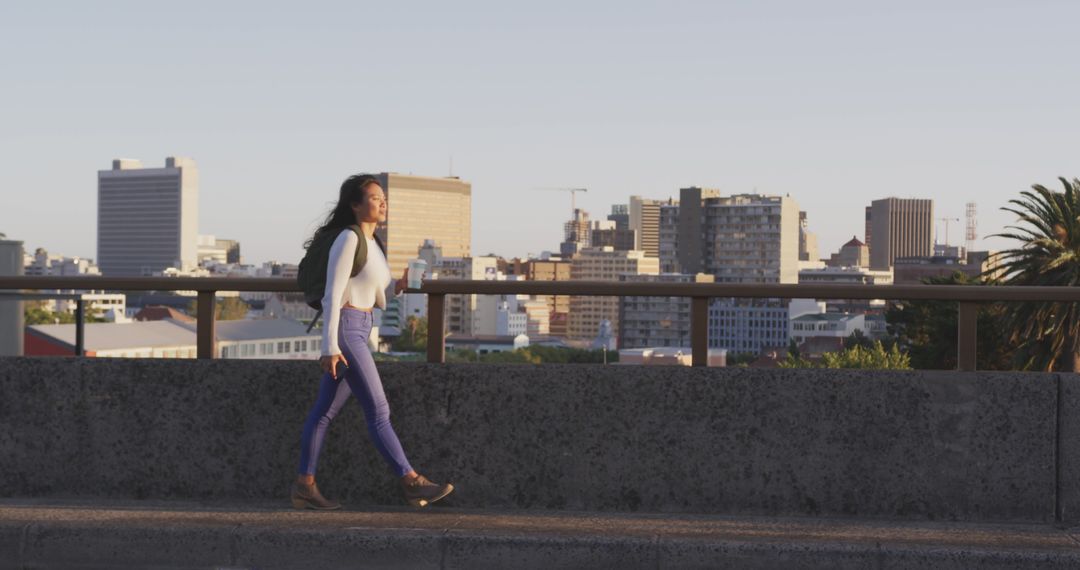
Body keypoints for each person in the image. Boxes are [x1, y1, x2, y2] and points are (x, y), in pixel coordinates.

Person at [291, 174, 454, 510]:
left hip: (362, 325)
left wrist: (401, 286)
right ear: (355, 204)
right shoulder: (348, 239)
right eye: (375, 197)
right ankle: (411, 482)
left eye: (384, 198)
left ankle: (304, 487)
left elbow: (376, 296)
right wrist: (329, 347)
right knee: (379, 411)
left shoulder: (375, 244)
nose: (383, 203)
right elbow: (333, 295)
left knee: (324, 412)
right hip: (346, 331)